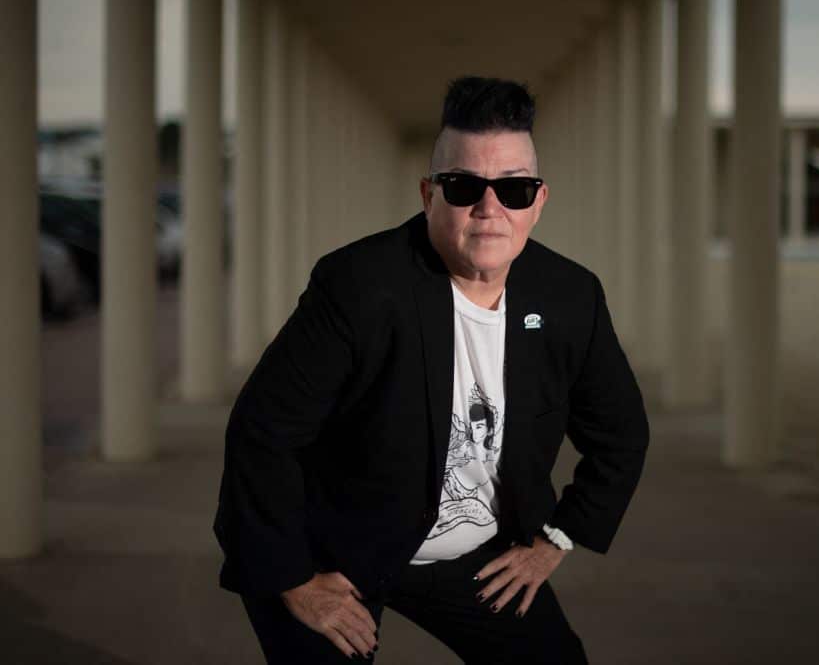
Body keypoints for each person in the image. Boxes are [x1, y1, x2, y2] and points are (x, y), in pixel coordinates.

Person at [214, 76, 649, 664]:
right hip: (333, 551)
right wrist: (292, 578)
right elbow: (263, 433)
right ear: (428, 194)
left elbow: (620, 434)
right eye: (465, 185)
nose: (490, 208)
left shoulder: (571, 296)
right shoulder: (359, 286)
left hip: (470, 552)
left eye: (514, 189)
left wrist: (556, 539)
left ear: (539, 200)